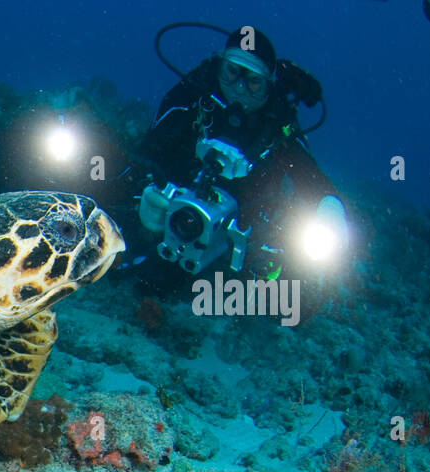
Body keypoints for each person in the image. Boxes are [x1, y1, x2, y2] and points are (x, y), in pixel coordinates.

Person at [124, 27, 346, 287]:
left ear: (268, 85)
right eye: (232, 72)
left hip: (246, 240)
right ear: (219, 66)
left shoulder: (278, 123)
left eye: (253, 80)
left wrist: (330, 210)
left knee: (294, 302)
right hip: (174, 227)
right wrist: (146, 194)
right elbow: (145, 155)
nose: (240, 88)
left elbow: (310, 177)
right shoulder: (191, 96)